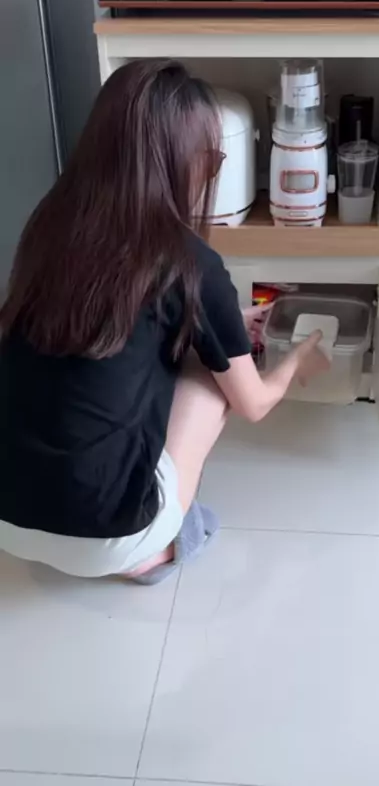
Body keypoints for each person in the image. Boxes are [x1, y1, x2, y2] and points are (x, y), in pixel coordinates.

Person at [0, 60, 328, 583]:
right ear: (184, 162)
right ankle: (152, 551)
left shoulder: (49, 228)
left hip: (8, 523)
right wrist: (297, 359)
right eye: (213, 161)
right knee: (212, 380)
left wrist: (224, 322)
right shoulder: (189, 261)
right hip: (104, 541)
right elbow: (254, 403)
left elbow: (115, 328)